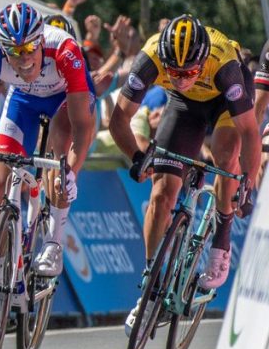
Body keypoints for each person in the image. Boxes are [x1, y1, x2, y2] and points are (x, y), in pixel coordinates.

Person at [0, 3, 96, 334]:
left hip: (65, 103)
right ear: (2, 48)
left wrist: (72, 169)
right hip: (23, 103)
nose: (24, 57)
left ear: (41, 40)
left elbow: (82, 126)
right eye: (14, 51)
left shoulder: (65, 51)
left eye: (30, 48)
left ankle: (54, 241)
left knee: (59, 157)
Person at [109, 16, 260, 320]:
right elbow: (118, 120)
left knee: (225, 154)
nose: (180, 78)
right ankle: (151, 281)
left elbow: (249, 132)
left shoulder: (224, 65)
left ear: (201, 61)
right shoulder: (150, 57)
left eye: (188, 72)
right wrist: (138, 158)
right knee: (162, 192)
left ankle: (222, 238)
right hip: (184, 106)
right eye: (173, 72)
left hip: (224, 104)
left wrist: (249, 181)